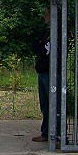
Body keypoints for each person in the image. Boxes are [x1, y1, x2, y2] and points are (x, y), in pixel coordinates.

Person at [31, 8, 51, 142]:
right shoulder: (46, 32)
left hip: (52, 72)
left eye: (46, 14)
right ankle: (46, 132)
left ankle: (60, 134)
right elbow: (35, 47)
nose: (44, 17)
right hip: (43, 70)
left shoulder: (59, 32)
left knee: (54, 103)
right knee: (45, 104)